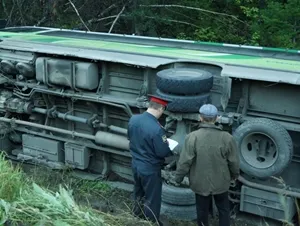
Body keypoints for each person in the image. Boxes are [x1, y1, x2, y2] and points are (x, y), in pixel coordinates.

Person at [171, 104, 239, 226]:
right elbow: (233, 162)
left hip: (200, 183)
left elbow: (185, 161)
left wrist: (178, 178)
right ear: (217, 118)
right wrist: (234, 175)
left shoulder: (192, 137)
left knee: (201, 211)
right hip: (221, 182)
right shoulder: (227, 138)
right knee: (224, 209)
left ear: (200, 118)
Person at [127, 95, 173, 226]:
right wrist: (169, 148)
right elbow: (162, 152)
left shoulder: (133, 119)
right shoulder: (157, 129)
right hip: (150, 168)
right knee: (152, 197)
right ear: (161, 109)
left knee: (138, 192)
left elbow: (130, 138)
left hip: (136, 164)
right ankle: (151, 222)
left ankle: (136, 215)